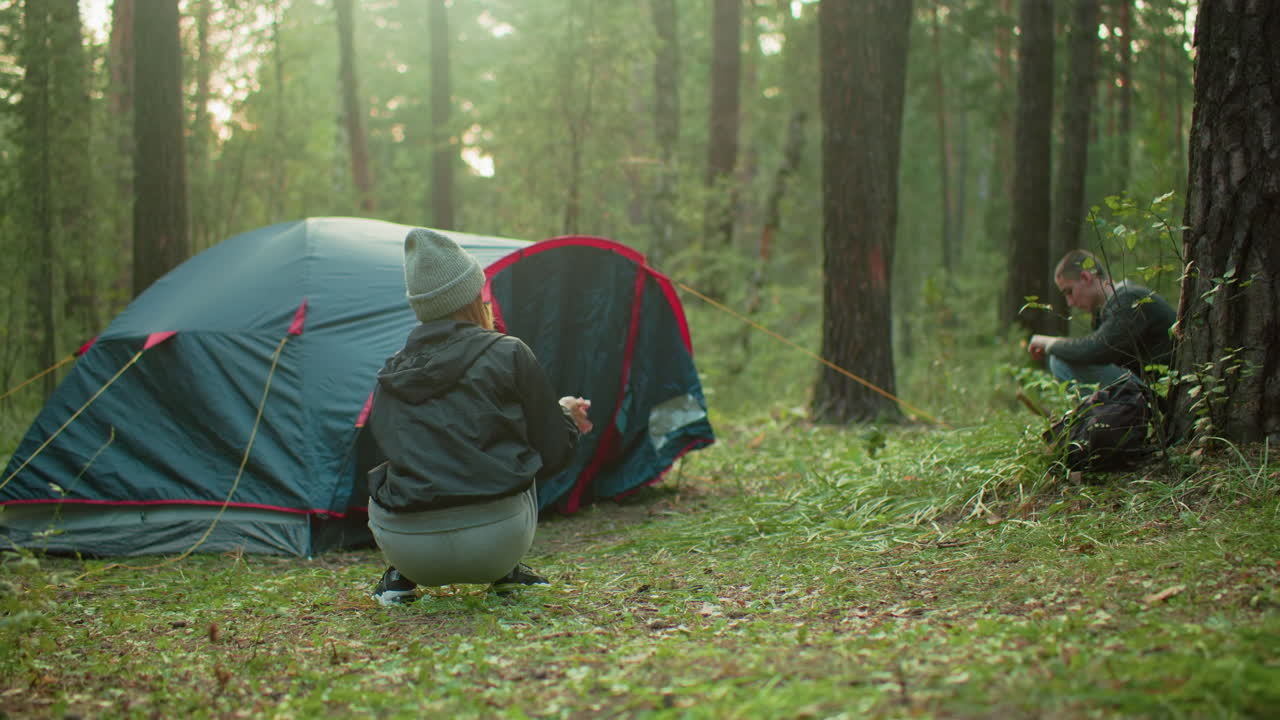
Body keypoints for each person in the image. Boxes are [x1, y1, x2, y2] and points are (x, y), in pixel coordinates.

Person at [366, 228, 593, 606]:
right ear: (473, 296)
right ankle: (507, 573)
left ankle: (399, 580)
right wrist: (566, 418)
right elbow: (552, 452)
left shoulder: (392, 371)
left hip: (408, 550)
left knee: (396, 466)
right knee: (520, 446)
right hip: (498, 544)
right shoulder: (509, 353)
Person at [1027, 249, 1176, 395]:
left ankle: (1106, 416)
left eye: (1069, 291)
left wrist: (1050, 343)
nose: (1070, 302)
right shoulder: (1107, 310)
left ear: (1086, 277)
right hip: (1150, 392)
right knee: (1061, 356)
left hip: (1162, 396)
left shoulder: (1129, 298)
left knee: (1059, 360)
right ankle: (1101, 416)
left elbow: (1097, 350)